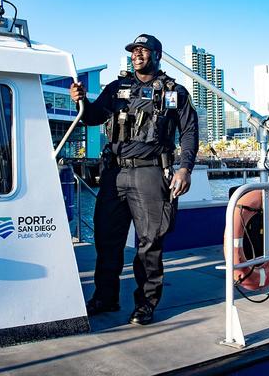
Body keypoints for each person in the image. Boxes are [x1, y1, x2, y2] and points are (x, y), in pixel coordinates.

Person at [70, 34, 198, 325]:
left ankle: (145, 304)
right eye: (134, 50)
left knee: (149, 243)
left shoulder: (174, 91)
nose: (137, 54)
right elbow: (92, 116)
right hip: (114, 173)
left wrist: (184, 169)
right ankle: (105, 297)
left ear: (157, 55)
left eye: (143, 50)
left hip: (151, 173)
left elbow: (189, 132)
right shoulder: (116, 88)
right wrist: (81, 101)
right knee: (106, 239)